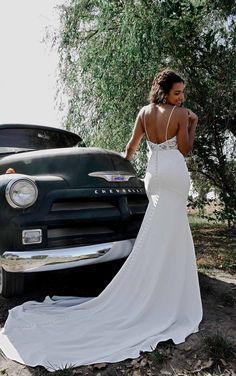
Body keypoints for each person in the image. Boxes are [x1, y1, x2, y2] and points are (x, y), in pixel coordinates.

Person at [0, 68, 202, 371]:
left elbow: (131, 149)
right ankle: (167, 294)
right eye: (178, 92)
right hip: (172, 171)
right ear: (165, 91)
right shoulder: (181, 113)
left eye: (182, 93)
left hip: (153, 174)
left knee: (159, 232)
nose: (181, 97)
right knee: (173, 233)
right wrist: (191, 124)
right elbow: (184, 150)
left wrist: (121, 171)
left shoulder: (144, 113)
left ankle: (150, 287)